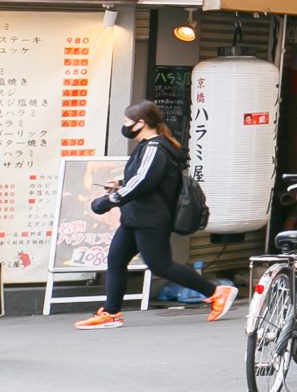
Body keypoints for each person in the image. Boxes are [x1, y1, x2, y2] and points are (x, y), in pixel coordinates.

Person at [77, 102, 234, 329]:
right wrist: (120, 183)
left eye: (126, 122)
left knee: (161, 266)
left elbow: (143, 183)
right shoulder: (149, 146)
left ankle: (217, 292)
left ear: (141, 123)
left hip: (150, 219)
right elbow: (147, 178)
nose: (125, 127)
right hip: (136, 217)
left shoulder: (155, 148)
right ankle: (111, 313)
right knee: (116, 260)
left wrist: (108, 201)